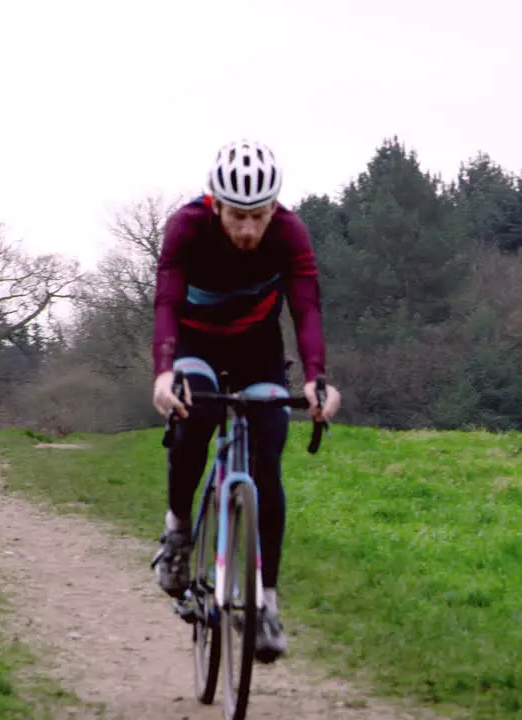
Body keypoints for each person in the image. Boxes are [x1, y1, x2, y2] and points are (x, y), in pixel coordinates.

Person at [149, 138, 341, 663]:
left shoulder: (290, 233)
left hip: (258, 347)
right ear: (216, 204)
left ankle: (267, 603)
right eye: (238, 216)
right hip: (195, 342)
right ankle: (179, 532)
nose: (249, 230)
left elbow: (305, 309)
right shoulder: (186, 227)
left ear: (274, 208)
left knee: (270, 447)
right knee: (199, 408)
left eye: (260, 215)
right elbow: (166, 300)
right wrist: (164, 374)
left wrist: (316, 380)